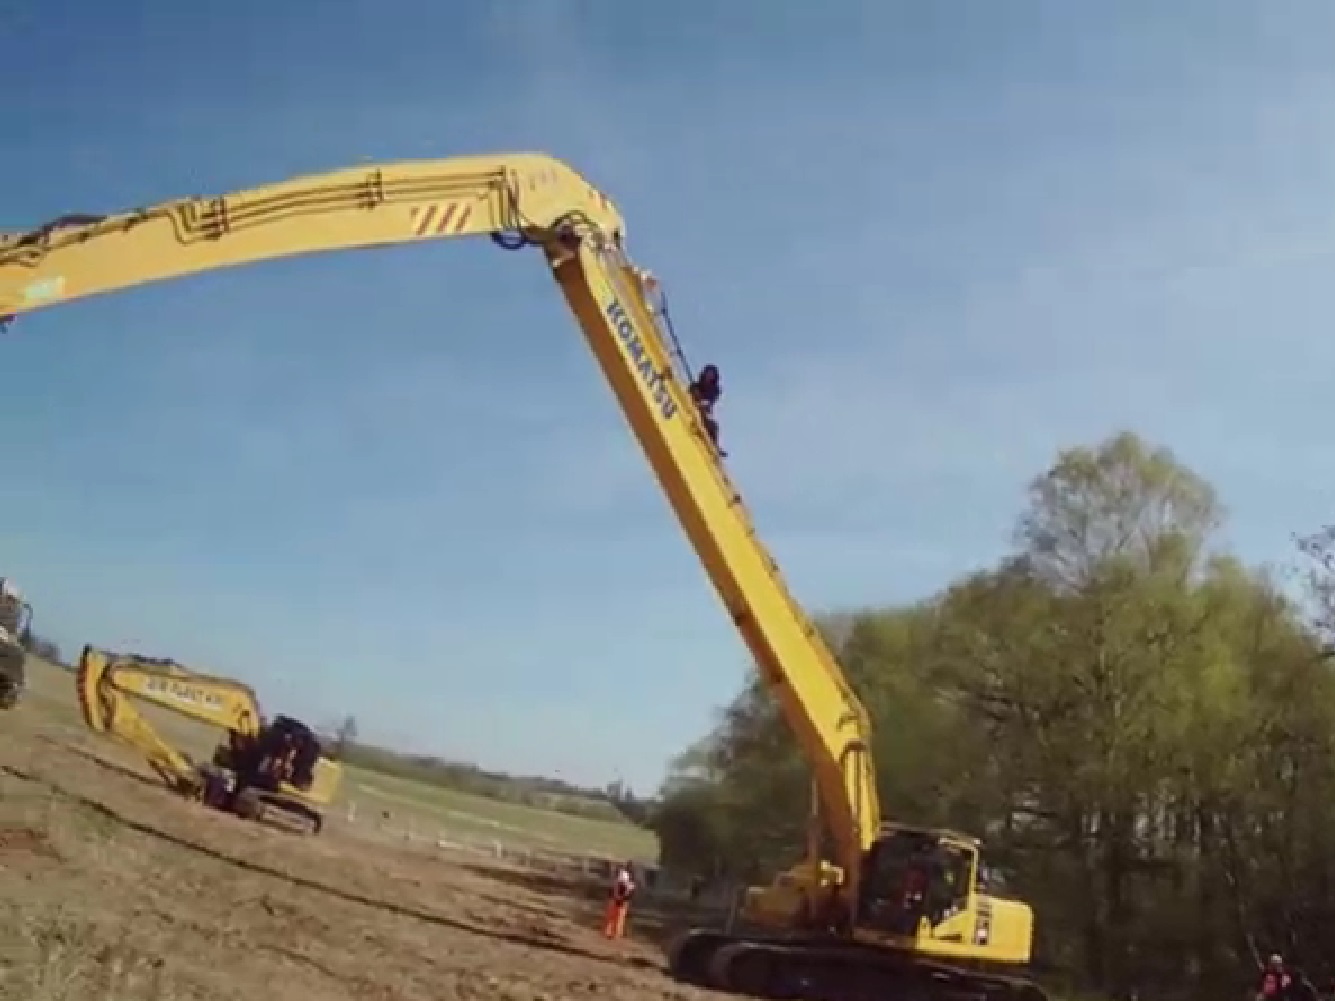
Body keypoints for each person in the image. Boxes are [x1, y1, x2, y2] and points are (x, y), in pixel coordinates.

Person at [688, 364, 726, 457]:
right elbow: (689, 394)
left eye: (712, 374)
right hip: (691, 408)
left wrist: (703, 402)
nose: (709, 376)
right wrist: (695, 396)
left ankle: (715, 446)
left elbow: (710, 400)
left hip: (705, 411)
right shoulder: (695, 386)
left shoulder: (715, 389)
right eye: (708, 373)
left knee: (713, 426)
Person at [602, 860, 637, 940]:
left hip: (620, 899)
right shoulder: (627, 877)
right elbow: (619, 887)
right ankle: (613, 933)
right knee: (616, 916)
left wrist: (618, 896)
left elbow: (620, 887)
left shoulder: (625, 877)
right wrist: (619, 896)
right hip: (620, 899)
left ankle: (612, 933)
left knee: (615, 916)